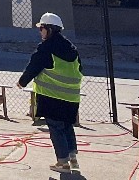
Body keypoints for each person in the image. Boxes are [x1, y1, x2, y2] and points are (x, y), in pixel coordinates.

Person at [18, 12, 83, 173]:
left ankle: (63, 163)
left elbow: (34, 66)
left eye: (41, 28)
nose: (40, 32)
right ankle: (72, 159)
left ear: (49, 29)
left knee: (56, 128)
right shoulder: (71, 48)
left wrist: (22, 82)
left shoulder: (46, 48)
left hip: (52, 97)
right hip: (72, 98)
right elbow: (80, 69)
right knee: (67, 125)